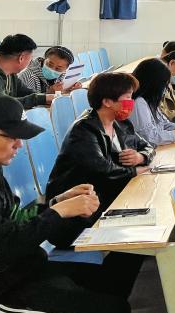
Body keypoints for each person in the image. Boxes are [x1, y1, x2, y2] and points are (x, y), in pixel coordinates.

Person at [0, 95, 130, 313]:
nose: (19, 145)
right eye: (12, 137)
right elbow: (0, 251)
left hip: (20, 275)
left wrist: (56, 203)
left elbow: (14, 220)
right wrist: (58, 213)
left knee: (114, 279)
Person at [46, 72, 155, 222]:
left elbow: (147, 146)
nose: (131, 102)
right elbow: (102, 170)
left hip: (107, 194)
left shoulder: (121, 123)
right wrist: (134, 171)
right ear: (107, 102)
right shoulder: (83, 130)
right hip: (80, 209)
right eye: (128, 97)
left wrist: (141, 156)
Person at [128, 59, 175, 146]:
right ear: (153, 84)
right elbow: (150, 138)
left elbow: (164, 124)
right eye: (164, 84)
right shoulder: (139, 102)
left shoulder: (150, 100)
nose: (165, 89)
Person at [18, 45, 83, 95]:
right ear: (44, 59)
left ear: (66, 69)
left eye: (58, 68)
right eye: (49, 64)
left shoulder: (63, 76)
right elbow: (24, 102)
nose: (52, 70)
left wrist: (71, 89)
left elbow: (61, 95)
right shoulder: (28, 77)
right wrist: (48, 93)